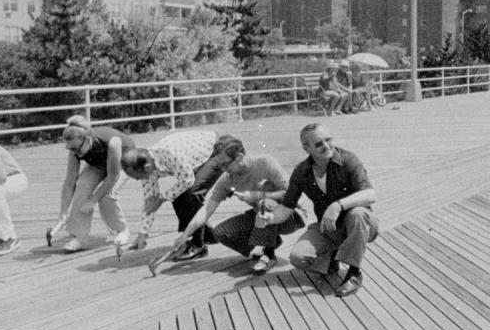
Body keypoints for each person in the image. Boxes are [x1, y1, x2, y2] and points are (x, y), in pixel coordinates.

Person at [266, 123, 377, 297]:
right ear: (306, 148)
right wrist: (269, 219)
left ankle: (354, 272)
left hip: (360, 225)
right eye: (318, 144)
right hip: (330, 228)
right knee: (298, 258)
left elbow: (370, 194)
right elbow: (286, 207)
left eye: (328, 140)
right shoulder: (302, 172)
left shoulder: (348, 160)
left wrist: (337, 205)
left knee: (357, 214)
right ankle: (332, 257)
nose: (326, 146)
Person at [173, 138, 305, 274]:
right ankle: (270, 242)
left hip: (290, 216)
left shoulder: (265, 162)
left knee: (264, 204)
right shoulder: (228, 179)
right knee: (221, 233)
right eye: (220, 166)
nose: (224, 170)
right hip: (263, 218)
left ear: (239, 157)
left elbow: (291, 194)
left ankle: (268, 255)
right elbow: (207, 209)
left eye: (225, 164)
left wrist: (256, 195)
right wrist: (185, 235)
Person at [121, 130, 227, 261]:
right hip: (197, 157)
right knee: (178, 196)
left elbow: (188, 180)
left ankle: (199, 246)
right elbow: (150, 201)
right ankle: (207, 235)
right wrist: (143, 233)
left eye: (137, 177)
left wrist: (162, 198)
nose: (137, 180)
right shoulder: (146, 165)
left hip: (218, 150)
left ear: (147, 168)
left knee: (192, 193)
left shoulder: (169, 153)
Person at [55, 116, 134, 252]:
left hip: (124, 161)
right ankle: (80, 236)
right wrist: (63, 212)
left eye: (76, 149)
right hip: (99, 162)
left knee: (107, 195)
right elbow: (70, 182)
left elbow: (112, 177)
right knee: (82, 185)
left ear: (87, 139)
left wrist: (92, 201)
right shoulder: (75, 148)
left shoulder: (112, 142)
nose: (74, 152)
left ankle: (122, 230)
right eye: (70, 149)